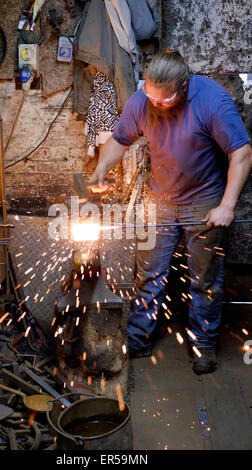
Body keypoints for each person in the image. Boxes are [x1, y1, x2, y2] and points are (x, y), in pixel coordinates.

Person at [89, 51, 252, 374]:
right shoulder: (142, 100)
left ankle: (203, 342)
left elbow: (242, 153)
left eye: (164, 100)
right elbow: (120, 141)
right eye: (151, 97)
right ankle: (138, 337)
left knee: (204, 277)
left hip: (205, 198)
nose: (156, 105)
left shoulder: (213, 102)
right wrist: (100, 170)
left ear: (184, 87)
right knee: (149, 271)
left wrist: (227, 206)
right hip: (159, 196)